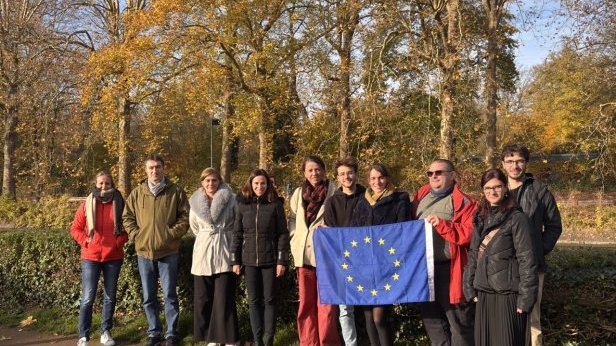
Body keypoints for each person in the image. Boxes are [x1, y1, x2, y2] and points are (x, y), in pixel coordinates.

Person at [463, 168, 538, 346]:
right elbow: (473, 254)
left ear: (505, 188)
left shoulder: (517, 218)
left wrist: (526, 298)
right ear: (483, 190)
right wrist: (468, 286)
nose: (492, 192)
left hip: (508, 295)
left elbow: (527, 260)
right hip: (484, 293)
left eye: (497, 187)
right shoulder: (480, 217)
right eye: (488, 188)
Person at [123, 154, 189, 346]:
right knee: (149, 296)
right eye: (151, 168)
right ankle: (154, 332)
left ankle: (171, 333)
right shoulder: (137, 193)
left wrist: (169, 235)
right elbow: (127, 217)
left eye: (158, 167)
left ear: (163, 168)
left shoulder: (175, 191)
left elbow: (184, 218)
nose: (154, 171)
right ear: (146, 170)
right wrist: (137, 235)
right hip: (144, 253)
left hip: (168, 252)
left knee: (169, 294)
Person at [501, 144, 562, 346]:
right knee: (503, 319)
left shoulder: (539, 190)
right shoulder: (495, 189)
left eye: (519, 161)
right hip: (501, 266)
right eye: (509, 161)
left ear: (526, 163)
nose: (514, 166)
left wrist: (538, 249)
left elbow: (554, 225)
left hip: (531, 266)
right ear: (503, 164)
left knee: (531, 321)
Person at [411, 159, 477, 346]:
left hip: (451, 270)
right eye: (430, 173)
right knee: (433, 323)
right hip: (424, 271)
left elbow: (470, 234)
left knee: (459, 324)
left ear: (452, 175)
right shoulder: (419, 197)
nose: (433, 176)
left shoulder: (464, 202)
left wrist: (443, 225)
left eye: (438, 172)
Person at [351, 163, 410, 346]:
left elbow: (403, 228)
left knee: (379, 317)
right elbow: (354, 231)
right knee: (368, 316)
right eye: (373, 178)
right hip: (365, 265)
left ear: (387, 178)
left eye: (381, 177)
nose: (377, 181)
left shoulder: (399, 199)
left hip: (386, 265)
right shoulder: (362, 201)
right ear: (368, 180)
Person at [231, 168, 290, 346]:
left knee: (270, 300)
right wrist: (235, 260)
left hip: (270, 261)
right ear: (250, 184)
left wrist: (282, 260)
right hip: (249, 262)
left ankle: (268, 340)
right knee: (253, 301)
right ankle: (258, 341)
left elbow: (283, 234)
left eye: (263, 183)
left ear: (268, 184)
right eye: (256, 183)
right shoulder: (242, 206)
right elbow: (237, 234)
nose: (259, 186)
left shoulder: (275, 205)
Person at [70, 171, 127, 346]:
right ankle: (83, 335)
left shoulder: (120, 203)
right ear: (96, 184)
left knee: (110, 296)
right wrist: (85, 241)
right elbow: (75, 229)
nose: (104, 186)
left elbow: (128, 227)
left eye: (107, 183)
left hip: (113, 256)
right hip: (91, 257)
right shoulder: (87, 204)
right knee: (88, 297)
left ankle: (105, 332)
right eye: (101, 183)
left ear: (112, 185)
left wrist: (118, 242)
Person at [288, 155, 341, 346]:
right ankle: (309, 342)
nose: (314, 173)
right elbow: (292, 219)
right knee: (306, 303)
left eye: (317, 169)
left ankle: (327, 342)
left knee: (326, 305)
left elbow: (340, 220)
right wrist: (294, 237)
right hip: (303, 255)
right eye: (310, 170)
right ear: (304, 172)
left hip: (326, 256)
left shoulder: (334, 191)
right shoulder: (297, 194)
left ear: (324, 171)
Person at [189, 168, 239, 345]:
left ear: (220, 182)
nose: (211, 184)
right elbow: (194, 227)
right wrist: (206, 237)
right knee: (204, 297)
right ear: (202, 182)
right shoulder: (194, 203)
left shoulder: (231, 199)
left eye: (214, 180)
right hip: (203, 252)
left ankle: (230, 338)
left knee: (224, 297)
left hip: (225, 249)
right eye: (207, 181)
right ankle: (212, 337)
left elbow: (236, 223)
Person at [322, 157, 366, 346]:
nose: (346, 177)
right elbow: (330, 233)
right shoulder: (332, 202)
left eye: (349, 173)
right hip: (343, 261)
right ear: (337, 177)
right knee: (345, 309)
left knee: (369, 306)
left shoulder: (368, 195)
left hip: (366, 259)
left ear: (355, 174)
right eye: (342, 174)